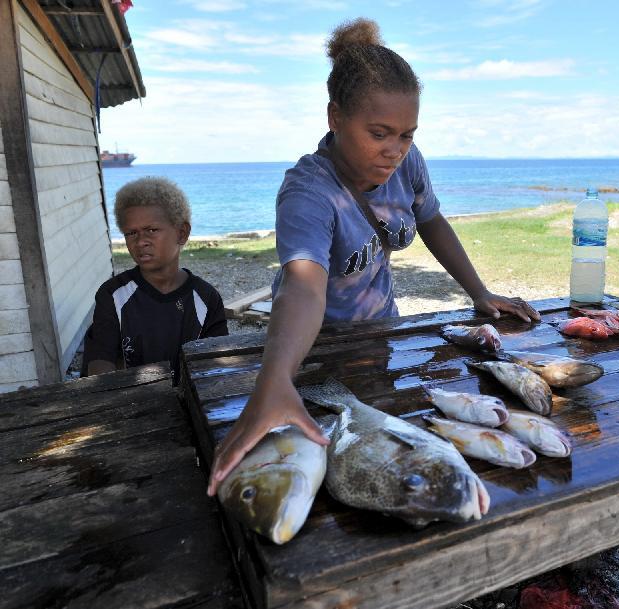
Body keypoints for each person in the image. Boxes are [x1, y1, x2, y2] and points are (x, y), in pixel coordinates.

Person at [206, 18, 540, 496]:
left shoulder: (409, 160)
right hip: (311, 347)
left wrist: (480, 293)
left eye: (406, 134)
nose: (395, 151)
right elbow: (303, 282)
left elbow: (431, 221)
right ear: (334, 117)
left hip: (380, 331)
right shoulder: (307, 193)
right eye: (380, 133)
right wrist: (275, 379)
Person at [83, 176, 228, 378]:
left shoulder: (206, 298)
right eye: (131, 233)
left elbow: (215, 369)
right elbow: (99, 364)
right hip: (130, 403)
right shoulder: (113, 295)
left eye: (151, 230)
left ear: (182, 233)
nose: (141, 241)